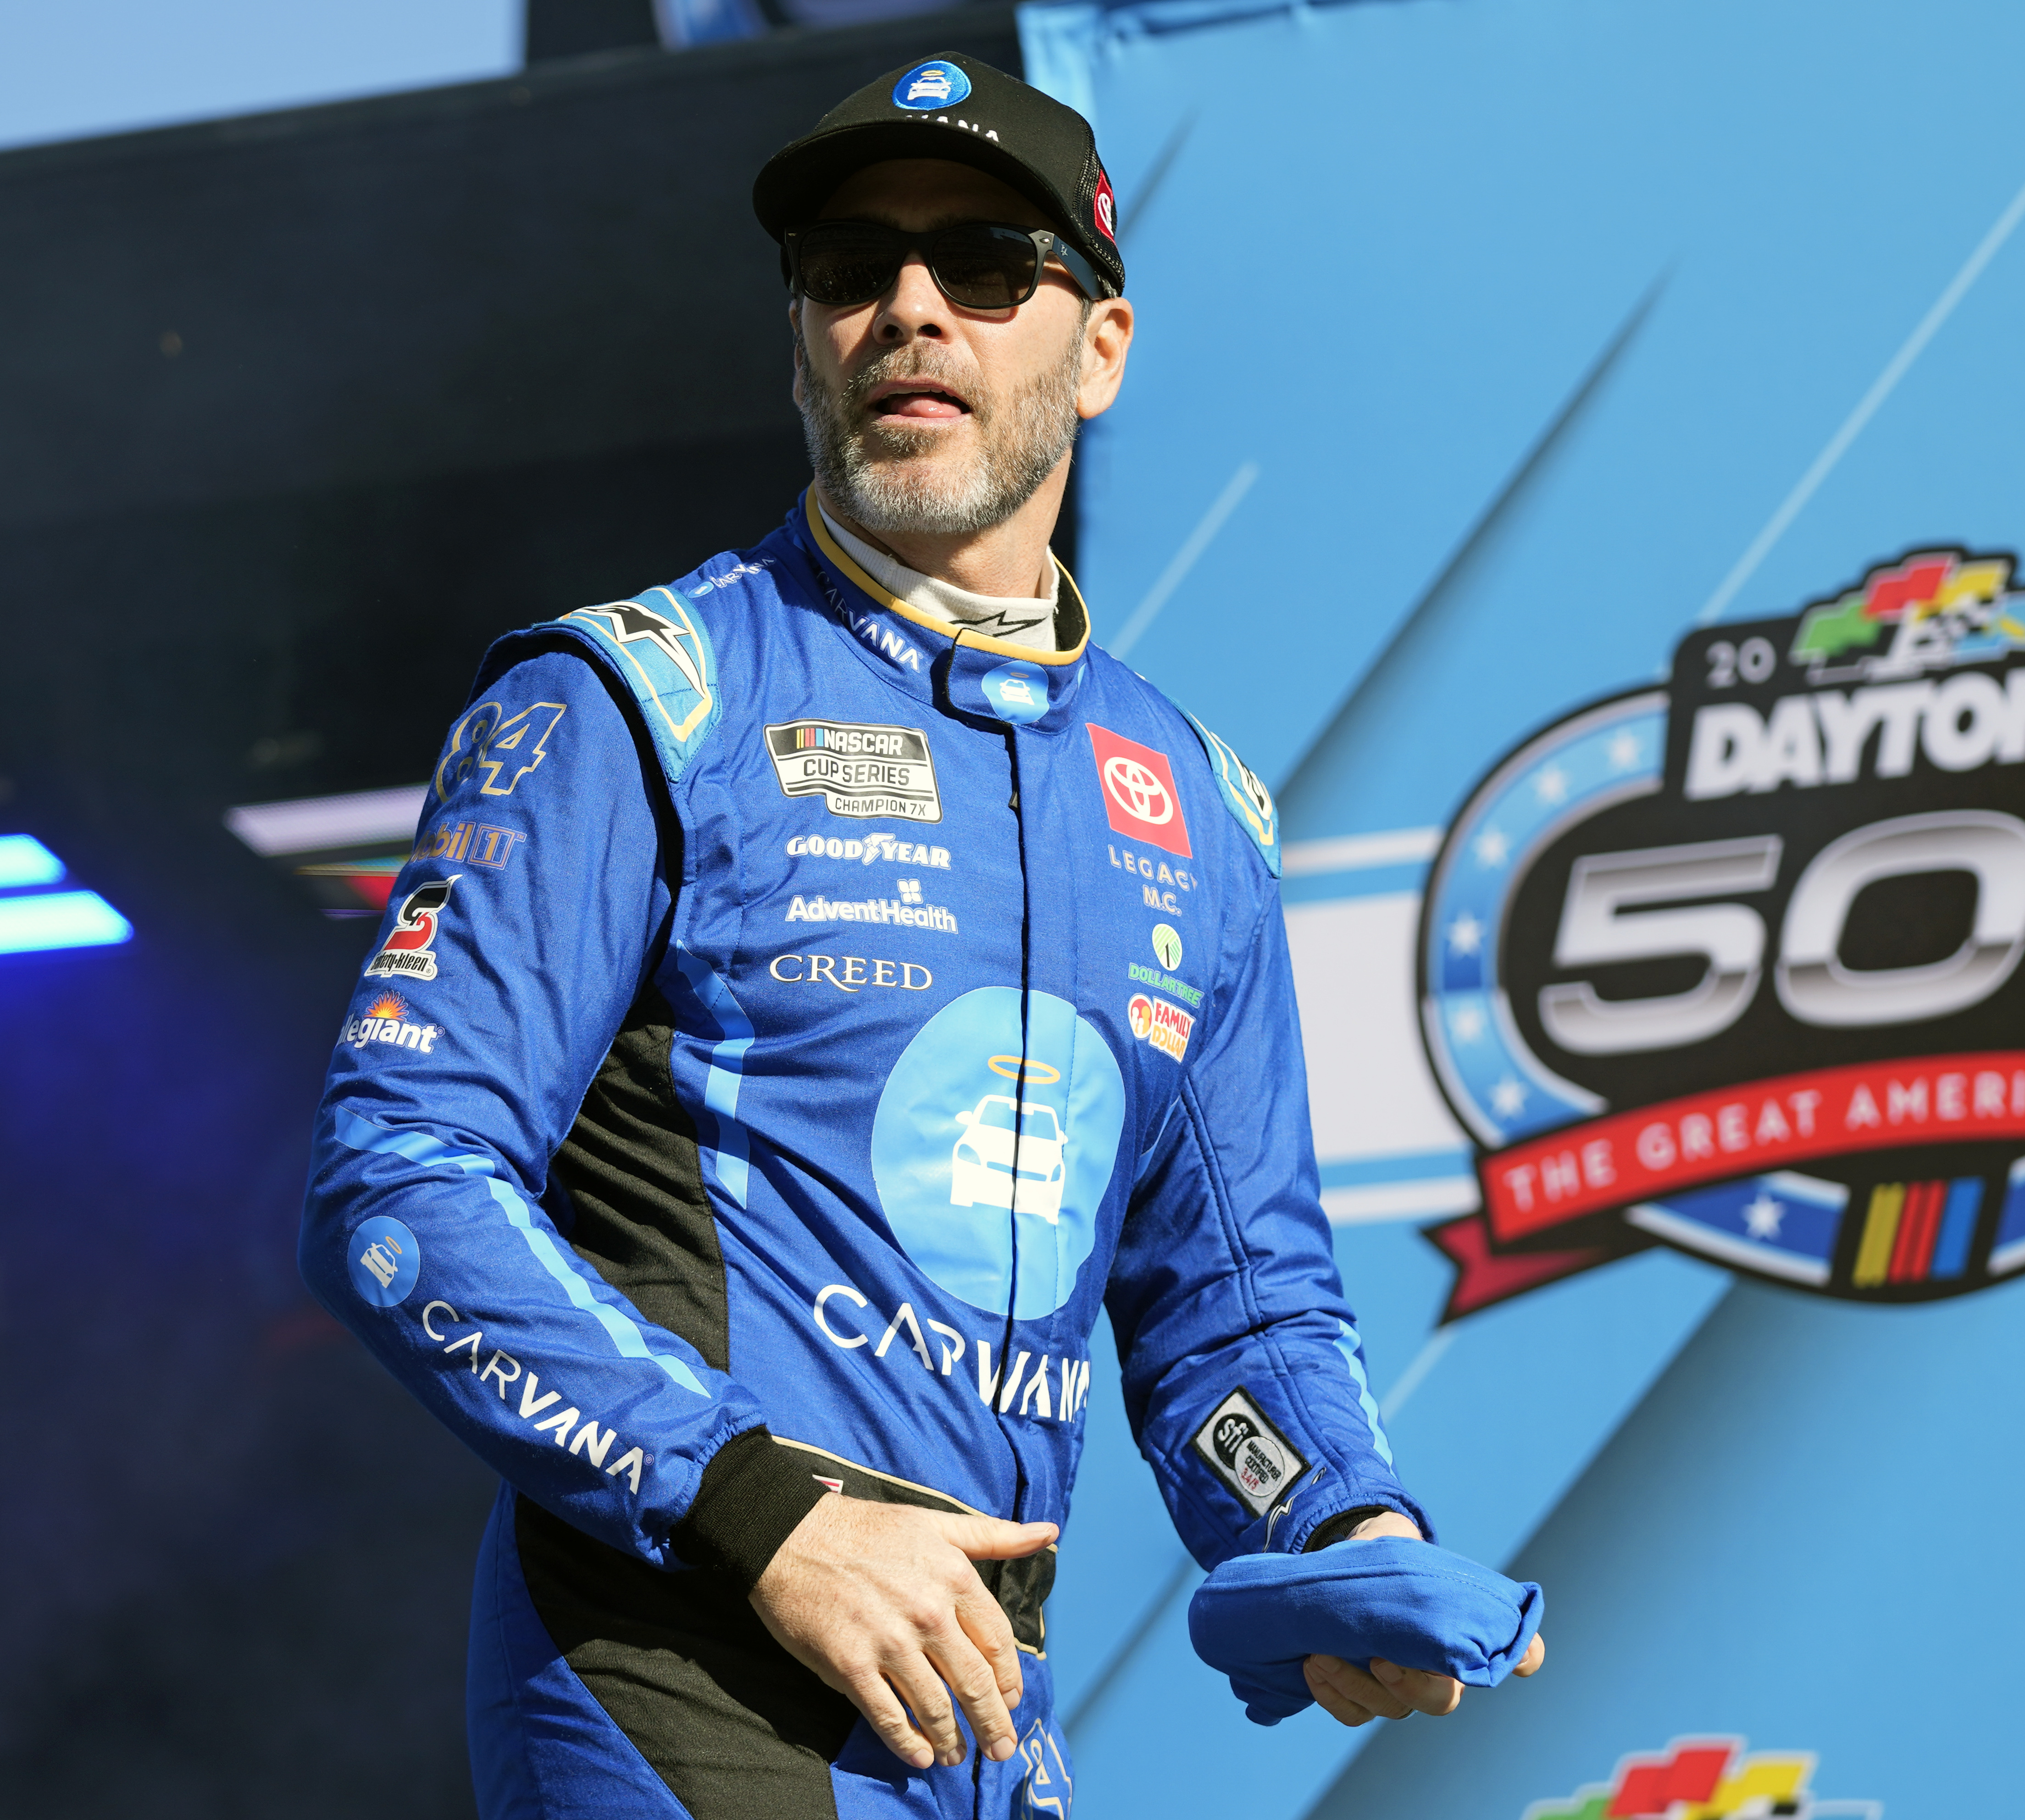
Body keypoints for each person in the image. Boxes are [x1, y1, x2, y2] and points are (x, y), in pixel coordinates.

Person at [298, 51, 1541, 1820]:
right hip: (683, 1670)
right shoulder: (639, 697)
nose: (906, 310)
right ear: (799, 333)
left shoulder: (1197, 805)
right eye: (845, 268)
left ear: (1101, 347)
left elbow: (1232, 1313)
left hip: (980, 1710)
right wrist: (762, 1512)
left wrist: (1338, 1523)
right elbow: (398, 1186)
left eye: (982, 262)